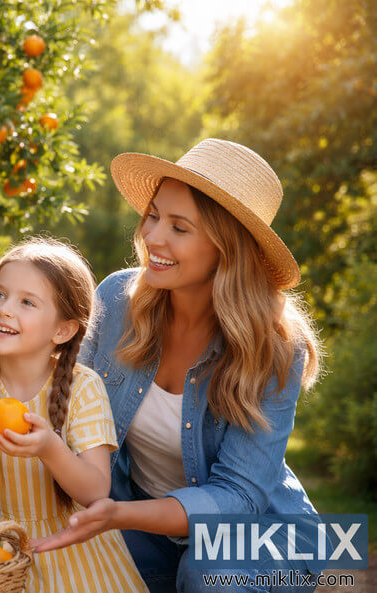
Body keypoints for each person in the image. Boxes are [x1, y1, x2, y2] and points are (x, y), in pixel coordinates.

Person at [30, 139, 323, 593]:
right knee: (50, 564)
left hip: (260, 535)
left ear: (228, 249)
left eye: (179, 228)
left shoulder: (276, 348)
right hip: (146, 526)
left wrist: (120, 516)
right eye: (153, 216)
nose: (152, 237)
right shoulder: (116, 300)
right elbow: (66, 409)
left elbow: (240, 497)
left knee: (209, 575)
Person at [0, 239, 148, 593]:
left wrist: (50, 447)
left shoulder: (83, 387)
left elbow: (96, 492)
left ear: (62, 330)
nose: (4, 309)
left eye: (27, 302)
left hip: (73, 551)